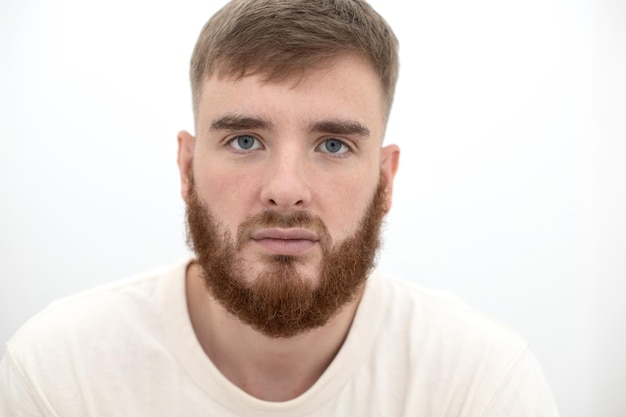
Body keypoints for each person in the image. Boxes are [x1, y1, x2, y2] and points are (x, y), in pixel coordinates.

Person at [0, 0, 559, 415]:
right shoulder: (58, 374)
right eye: (245, 140)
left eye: (333, 145)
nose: (285, 189)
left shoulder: (483, 387)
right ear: (186, 167)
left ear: (385, 181)